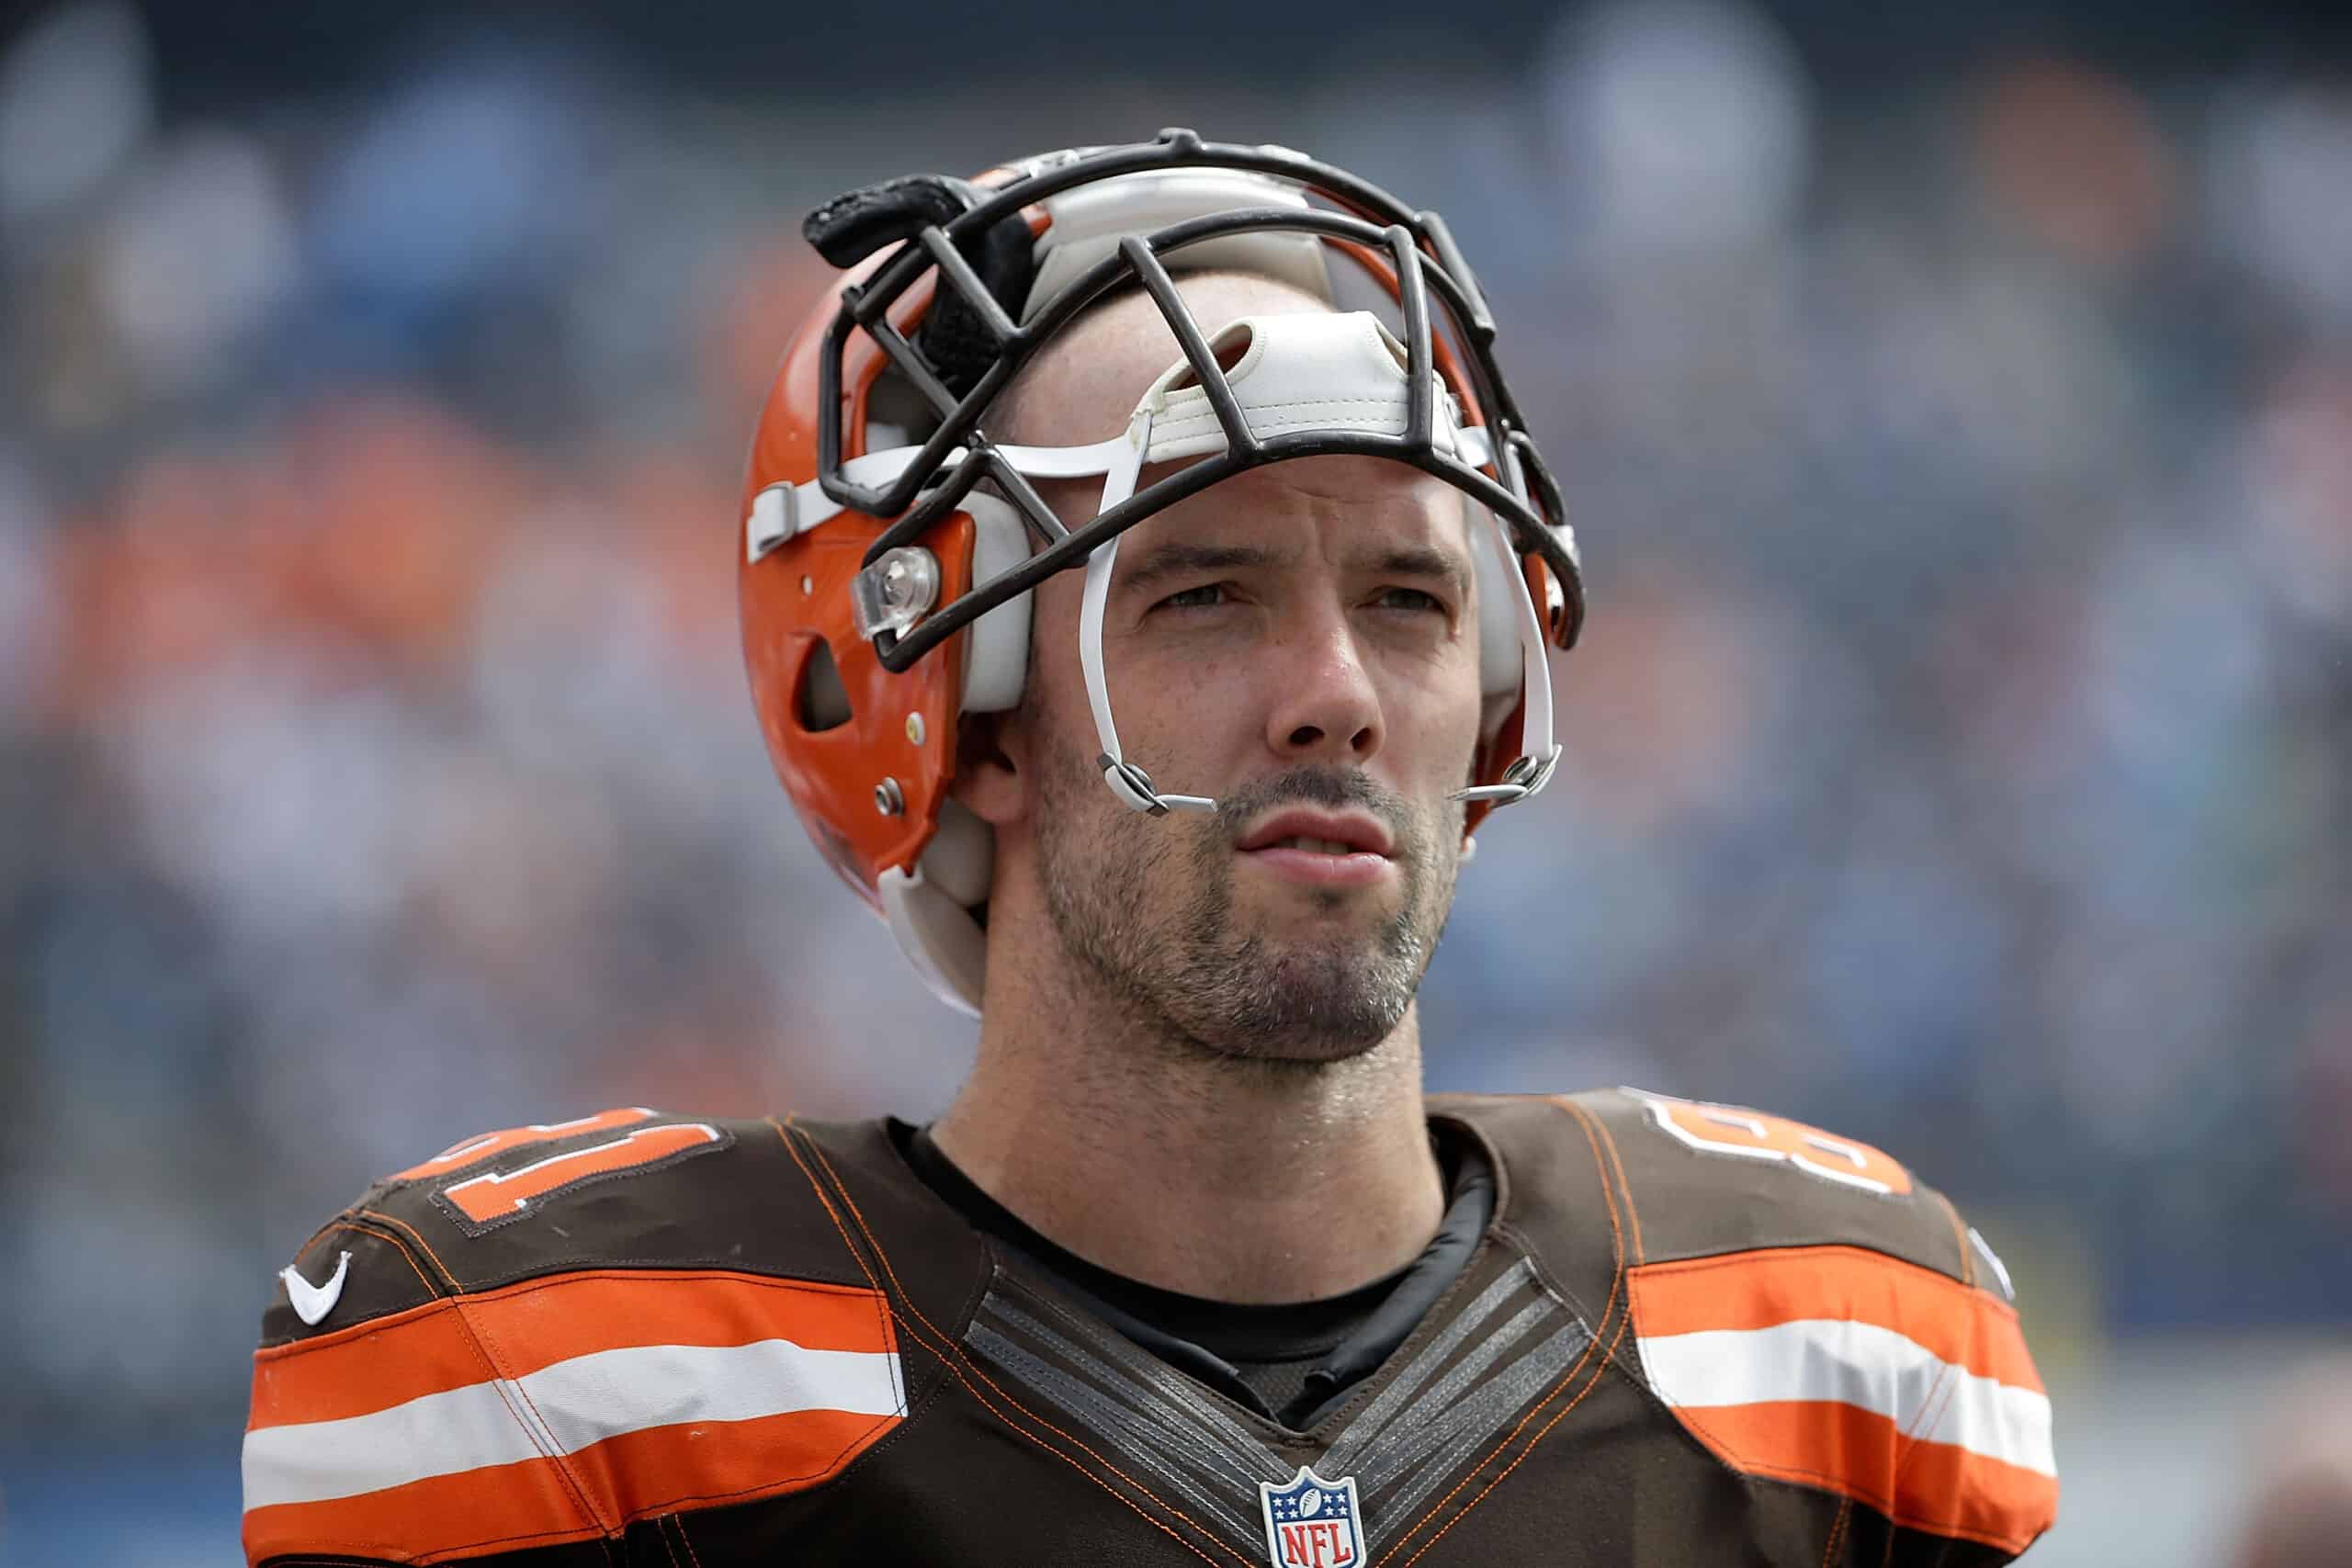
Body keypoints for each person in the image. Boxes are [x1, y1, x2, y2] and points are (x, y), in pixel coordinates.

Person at [241, 130, 2057, 1566]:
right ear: (957, 705)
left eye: (1411, 599)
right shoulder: (571, 1389)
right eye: (1203, 594)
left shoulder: (1814, 1354)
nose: (1336, 691)